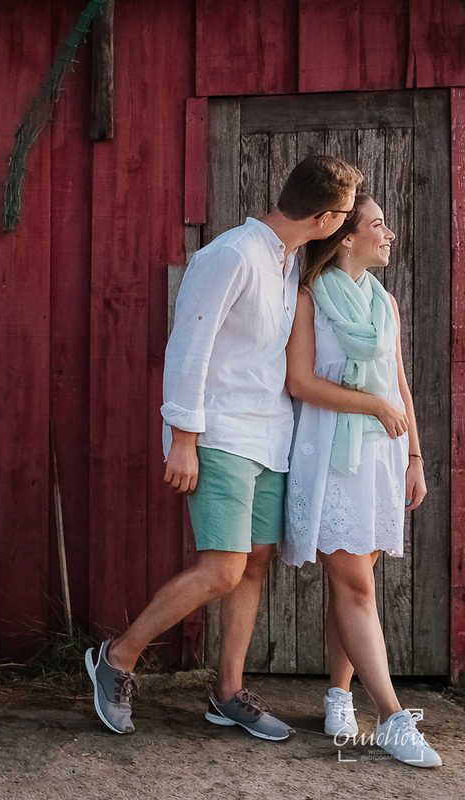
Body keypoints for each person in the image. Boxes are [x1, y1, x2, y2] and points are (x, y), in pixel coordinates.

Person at [86, 154, 363, 739]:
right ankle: (116, 658)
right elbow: (190, 345)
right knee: (222, 569)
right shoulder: (232, 254)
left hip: (271, 436)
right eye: (342, 216)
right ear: (322, 217)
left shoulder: (289, 264)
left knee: (254, 564)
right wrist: (184, 439)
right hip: (221, 434)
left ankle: (228, 692)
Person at [281, 193, 441, 767]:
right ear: (346, 237)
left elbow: (399, 385)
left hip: (381, 459)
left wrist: (415, 458)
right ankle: (392, 717)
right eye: (377, 224)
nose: (389, 233)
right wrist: (372, 405)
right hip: (330, 456)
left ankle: (338, 695)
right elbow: (300, 383)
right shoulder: (309, 300)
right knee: (356, 588)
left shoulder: (384, 302)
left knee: (355, 585)